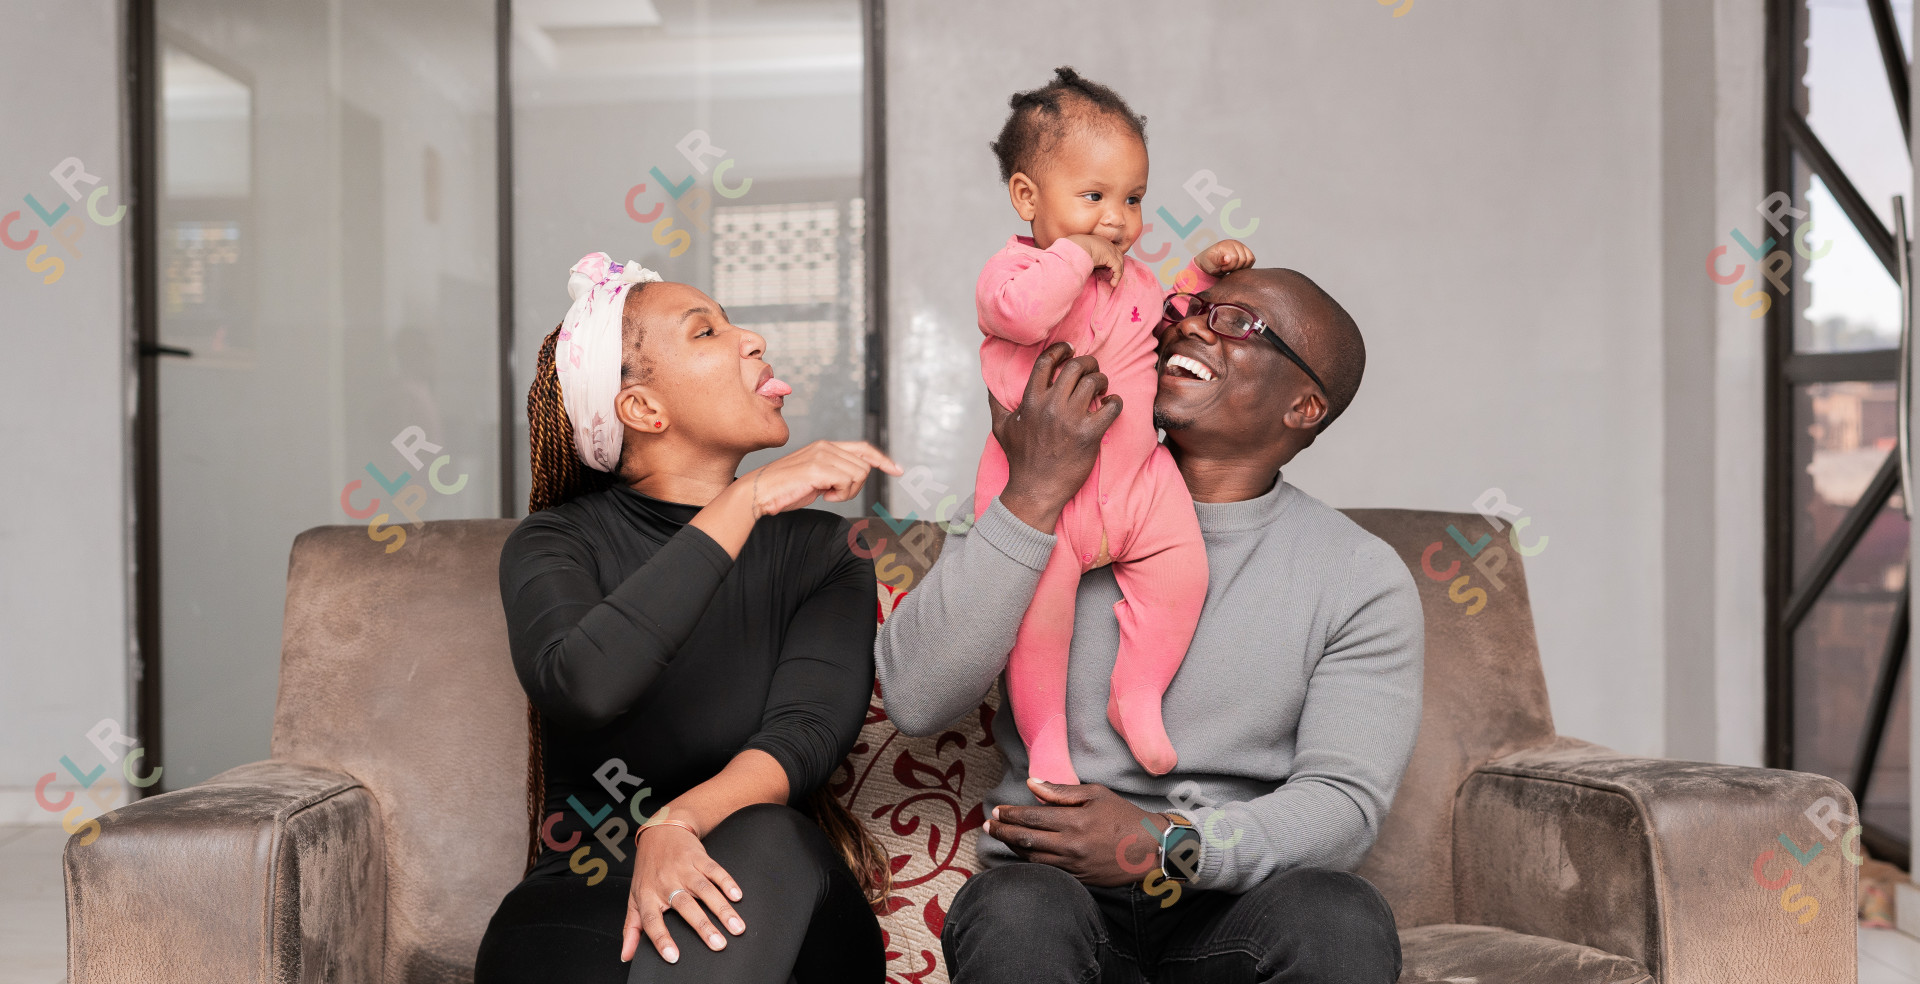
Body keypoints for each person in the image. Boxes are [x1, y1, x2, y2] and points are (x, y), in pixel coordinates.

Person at [877, 268, 1423, 983]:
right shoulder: (1040, 494)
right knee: (1016, 909)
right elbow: (916, 699)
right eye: (1194, 309)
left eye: (1238, 323)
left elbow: (1343, 805)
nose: (1191, 325)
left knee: (1340, 914)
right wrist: (1036, 491)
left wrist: (1170, 845)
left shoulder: (1357, 574)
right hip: (1053, 894)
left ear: (1304, 406)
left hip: (1231, 903)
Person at [475, 252, 896, 984]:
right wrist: (746, 500)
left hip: (776, 897)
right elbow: (585, 684)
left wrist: (675, 823)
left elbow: (804, 737)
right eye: (707, 333)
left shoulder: (828, 553)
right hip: (582, 897)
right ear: (642, 409)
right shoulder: (553, 543)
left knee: (767, 835)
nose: (751, 340)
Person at [973, 66, 1254, 784]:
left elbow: (1160, 326)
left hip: (1136, 482)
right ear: (1027, 197)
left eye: (1132, 200)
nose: (1116, 220)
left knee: (1184, 573)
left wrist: (1197, 279)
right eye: (1093, 196)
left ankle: (1137, 693)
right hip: (1043, 495)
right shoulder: (1010, 273)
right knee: (1040, 621)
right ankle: (1048, 745)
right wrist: (1071, 255)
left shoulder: (1128, 278)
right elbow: (1023, 317)